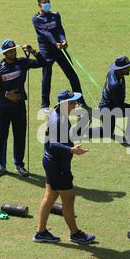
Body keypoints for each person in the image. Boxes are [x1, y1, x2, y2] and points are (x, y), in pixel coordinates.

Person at [33, 90, 95, 244]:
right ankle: (75, 234)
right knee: (68, 198)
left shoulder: (58, 114)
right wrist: (71, 149)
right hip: (58, 165)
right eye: (72, 102)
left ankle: (40, 232)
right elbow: (54, 144)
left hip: (52, 163)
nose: (75, 104)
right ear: (64, 103)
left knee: (51, 196)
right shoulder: (59, 119)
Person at [0, 39, 46, 177]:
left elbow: (43, 63)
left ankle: (19, 165)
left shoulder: (23, 62)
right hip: (3, 107)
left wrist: (32, 51)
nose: (12, 52)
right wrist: (6, 94)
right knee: (2, 136)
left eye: (14, 50)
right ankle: (0, 166)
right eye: (9, 51)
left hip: (19, 106)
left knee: (20, 136)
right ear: (4, 53)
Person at [32, 0, 88, 113]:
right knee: (47, 76)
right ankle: (44, 105)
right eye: (44, 2)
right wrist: (55, 43)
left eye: (48, 1)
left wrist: (63, 40)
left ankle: (80, 101)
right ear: (39, 5)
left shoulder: (55, 15)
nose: (46, 4)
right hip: (47, 51)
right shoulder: (36, 19)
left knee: (72, 74)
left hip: (60, 49)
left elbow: (60, 29)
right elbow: (45, 33)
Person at [99, 55, 130, 145]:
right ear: (120, 69)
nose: (129, 69)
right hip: (109, 109)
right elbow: (119, 107)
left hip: (106, 107)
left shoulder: (112, 72)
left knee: (107, 132)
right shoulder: (116, 85)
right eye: (127, 68)